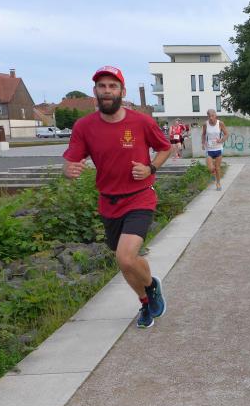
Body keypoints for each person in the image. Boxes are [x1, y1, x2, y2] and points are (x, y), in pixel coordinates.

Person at [62, 66, 172, 328]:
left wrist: (151, 168)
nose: (107, 91)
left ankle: (149, 289)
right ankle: (146, 298)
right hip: (108, 202)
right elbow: (70, 162)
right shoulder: (84, 126)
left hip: (140, 197)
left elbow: (165, 148)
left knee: (125, 256)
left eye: (113, 86)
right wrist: (69, 170)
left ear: (122, 91)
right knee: (125, 263)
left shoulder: (141, 122)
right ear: (95, 92)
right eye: (102, 86)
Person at [201, 109, 228, 190]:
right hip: (209, 149)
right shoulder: (205, 124)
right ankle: (213, 174)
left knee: (217, 167)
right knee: (211, 168)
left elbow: (226, 134)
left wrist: (221, 140)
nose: (211, 118)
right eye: (209, 116)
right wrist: (203, 143)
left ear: (215, 115)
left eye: (212, 116)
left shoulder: (220, 123)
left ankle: (218, 183)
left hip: (218, 148)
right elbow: (203, 134)